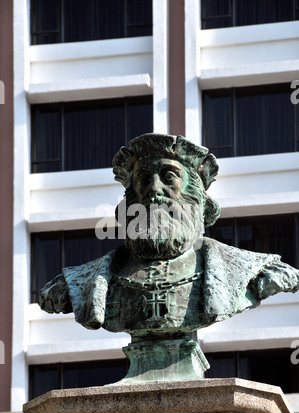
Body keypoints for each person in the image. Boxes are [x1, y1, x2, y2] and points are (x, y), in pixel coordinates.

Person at [38, 133, 299, 340]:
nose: (153, 190)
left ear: (195, 196)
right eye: (143, 179)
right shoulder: (76, 284)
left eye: (168, 177)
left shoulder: (255, 272)